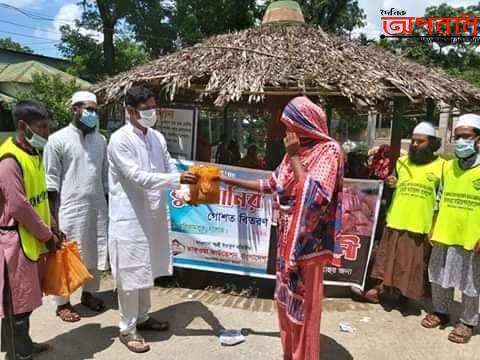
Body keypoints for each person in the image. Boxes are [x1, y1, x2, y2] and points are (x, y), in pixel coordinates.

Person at [220, 96, 344, 360]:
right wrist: (225, 179)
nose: (287, 132)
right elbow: (271, 185)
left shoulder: (329, 151)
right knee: (286, 301)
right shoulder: (292, 156)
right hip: (286, 237)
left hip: (308, 243)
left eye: (290, 125)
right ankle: (290, 354)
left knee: (304, 305)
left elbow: (316, 197)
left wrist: (296, 157)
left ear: (305, 124)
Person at [107, 86, 197, 353]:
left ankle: (143, 317)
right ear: (131, 111)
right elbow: (138, 177)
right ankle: (127, 328)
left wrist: (182, 191)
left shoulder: (156, 137)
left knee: (147, 270)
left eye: (153, 106)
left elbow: (168, 165)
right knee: (129, 274)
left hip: (154, 214)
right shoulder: (119, 139)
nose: (152, 112)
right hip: (129, 216)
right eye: (147, 108)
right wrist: (176, 180)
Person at [0, 100, 62, 360]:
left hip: (32, 239)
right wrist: (47, 236)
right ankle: (17, 353)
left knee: (25, 301)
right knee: (17, 306)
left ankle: (22, 346)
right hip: (14, 242)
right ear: (23, 126)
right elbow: (19, 207)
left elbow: (37, 196)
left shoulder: (33, 153)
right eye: (42, 126)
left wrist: (53, 225)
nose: (46, 132)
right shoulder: (9, 160)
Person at [43, 91, 108, 323]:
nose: (92, 114)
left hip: (98, 207)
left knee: (95, 250)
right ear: (74, 109)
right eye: (87, 109)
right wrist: (52, 220)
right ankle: (63, 303)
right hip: (68, 209)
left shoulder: (101, 141)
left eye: (95, 110)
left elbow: (104, 178)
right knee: (66, 255)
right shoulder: (57, 140)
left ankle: (89, 294)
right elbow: (50, 184)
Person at [363, 122, 443, 304]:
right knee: (386, 258)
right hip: (396, 218)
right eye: (413, 141)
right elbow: (396, 183)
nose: (414, 145)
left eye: (420, 142)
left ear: (431, 143)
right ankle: (380, 289)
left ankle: (404, 295)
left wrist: (435, 225)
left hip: (419, 221)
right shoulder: (401, 162)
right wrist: (392, 183)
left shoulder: (442, 166)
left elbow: (441, 197)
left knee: (409, 263)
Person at [421, 114, 480, 344]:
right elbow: (438, 199)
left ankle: (467, 321)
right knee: (438, 276)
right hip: (445, 231)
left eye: (465, 137)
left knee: (472, 282)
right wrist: (432, 226)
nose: (460, 141)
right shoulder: (448, 167)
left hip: (472, 235)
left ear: (478, 140)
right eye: (457, 137)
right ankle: (441, 311)